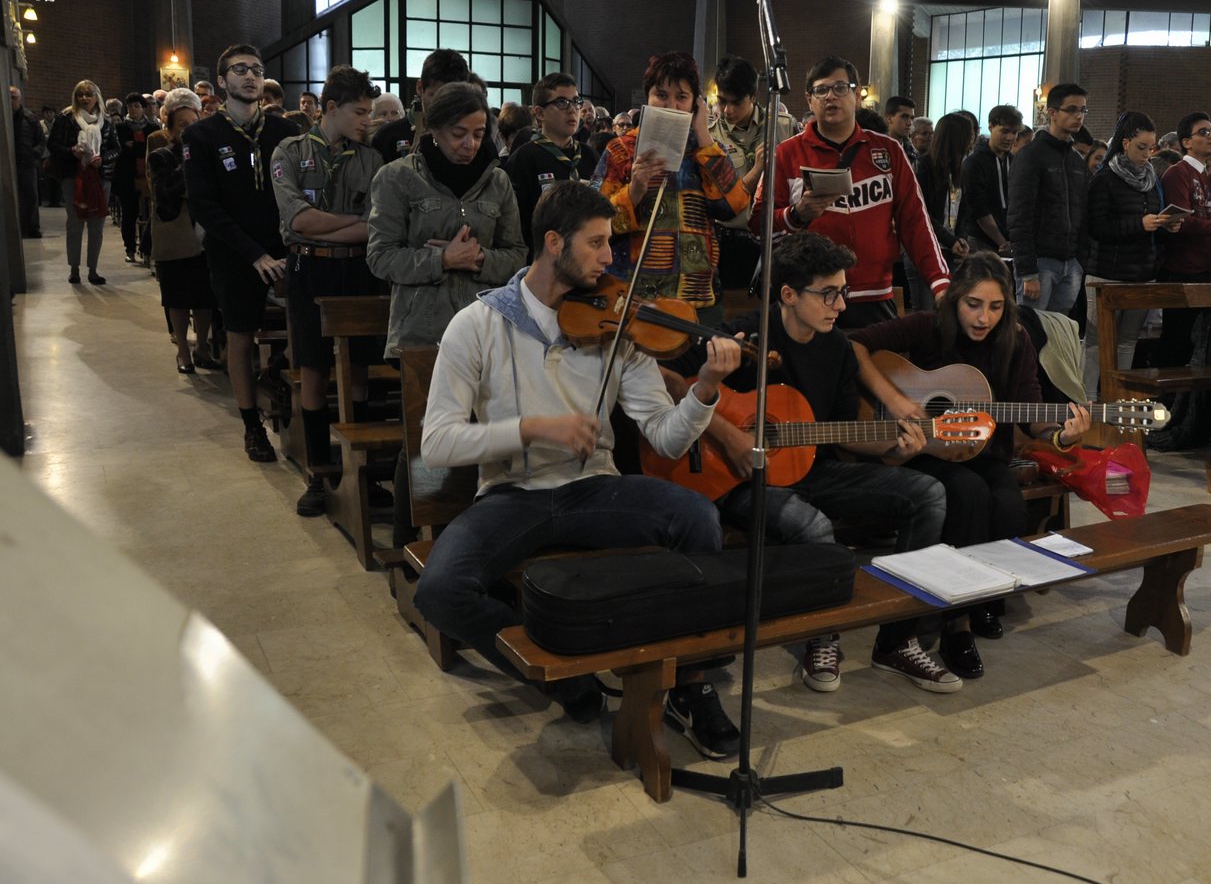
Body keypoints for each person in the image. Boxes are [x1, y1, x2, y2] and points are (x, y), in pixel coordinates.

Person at [416, 180, 745, 748]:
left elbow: (666, 439)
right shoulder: (477, 325)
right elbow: (438, 443)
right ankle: (565, 678)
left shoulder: (617, 325)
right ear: (553, 243)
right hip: (512, 495)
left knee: (697, 518)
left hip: (594, 487)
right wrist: (534, 428)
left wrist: (706, 389)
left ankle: (689, 682)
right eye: (595, 243)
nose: (609, 258)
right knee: (439, 590)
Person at [661, 232, 956, 692]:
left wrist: (898, 451)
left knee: (928, 493)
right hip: (738, 478)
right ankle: (823, 637)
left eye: (844, 292)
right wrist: (729, 438)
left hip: (812, 468)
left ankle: (898, 640)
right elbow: (670, 381)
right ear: (789, 295)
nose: (840, 305)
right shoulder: (745, 334)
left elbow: (843, 432)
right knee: (815, 527)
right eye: (829, 294)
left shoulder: (837, 348)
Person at [849, 252, 1091, 679]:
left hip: (987, 454)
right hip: (925, 452)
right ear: (955, 299)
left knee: (1011, 508)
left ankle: (981, 601)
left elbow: (1033, 413)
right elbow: (854, 344)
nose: (984, 317)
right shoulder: (928, 326)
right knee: (968, 495)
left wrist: (1061, 434)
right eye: (973, 305)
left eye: (995, 307)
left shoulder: (1015, 340)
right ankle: (955, 624)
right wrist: (897, 402)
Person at [369, 80, 527, 547]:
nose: (469, 144)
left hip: (486, 327)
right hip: (423, 328)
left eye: (479, 133)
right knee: (422, 440)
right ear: (433, 129)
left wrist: (477, 260)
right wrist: (441, 261)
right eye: (459, 133)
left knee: (487, 435)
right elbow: (380, 257)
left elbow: (518, 254)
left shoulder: (497, 179)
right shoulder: (398, 178)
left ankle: (475, 538)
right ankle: (406, 541)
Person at [752, 55, 949, 327]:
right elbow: (757, 224)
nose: (830, 96)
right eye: (821, 90)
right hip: (811, 297)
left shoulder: (889, 151)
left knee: (877, 368)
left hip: (875, 295)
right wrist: (796, 215)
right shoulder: (786, 155)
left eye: (841, 88)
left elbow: (916, 223)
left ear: (857, 96)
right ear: (809, 100)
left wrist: (940, 282)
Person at [271, 65, 389, 517]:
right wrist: (354, 225)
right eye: (360, 112)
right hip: (309, 272)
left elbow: (376, 228)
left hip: (359, 273)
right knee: (316, 371)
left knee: (359, 368)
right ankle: (319, 475)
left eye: (371, 112)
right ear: (331, 107)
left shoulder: (371, 160)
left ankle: (357, 472)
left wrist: (337, 228)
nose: (367, 121)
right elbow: (296, 220)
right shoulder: (290, 150)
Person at [183, 44, 301, 461]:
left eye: (255, 69)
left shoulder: (284, 133)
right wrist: (255, 255)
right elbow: (204, 206)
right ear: (222, 80)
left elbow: (302, 195)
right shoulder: (201, 135)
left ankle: (276, 375)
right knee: (240, 334)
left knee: (309, 325)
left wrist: (289, 246)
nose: (249, 76)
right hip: (234, 252)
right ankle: (252, 426)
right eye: (239, 70)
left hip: (285, 248)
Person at [594, 51, 747, 322]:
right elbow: (593, 222)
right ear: (648, 98)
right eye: (661, 95)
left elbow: (733, 206)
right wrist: (635, 191)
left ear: (695, 104)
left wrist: (703, 135)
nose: (671, 105)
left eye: (682, 97)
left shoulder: (707, 149)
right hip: (633, 299)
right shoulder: (621, 149)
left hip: (697, 298)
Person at [1083, 110, 1177, 375]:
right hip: (1106, 274)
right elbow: (1097, 227)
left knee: (1127, 342)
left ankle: (1118, 400)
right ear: (1125, 144)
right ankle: (1087, 402)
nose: (1148, 154)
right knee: (1095, 343)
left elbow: (1153, 220)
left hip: (1141, 273)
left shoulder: (1151, 178)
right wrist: (1139, 224)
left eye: (1151, 147)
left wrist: (1167, 224)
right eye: (1141, 147)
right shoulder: (1104, 179)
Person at [707, 54, 796, 295]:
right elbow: (718, 196)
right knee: (733, 315)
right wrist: (758, 169)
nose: (727, 110)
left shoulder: (783, 126)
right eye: (722, 101)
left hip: (775, 240)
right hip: (729, 242)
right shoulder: (710, 137)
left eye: (736, 102)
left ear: (754, 97)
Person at [145, 89, 218, 375]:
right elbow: (165, 194)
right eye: (184, 125)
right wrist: (188, 161)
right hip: (176, 234)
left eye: (195, 123)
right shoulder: (161, 155)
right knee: (177, 296)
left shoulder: (209, 154)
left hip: (206, 234)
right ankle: (183, 351)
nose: (190, 129)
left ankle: (202, 346)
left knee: (204, 296)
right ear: (172, 130)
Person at [1008, 82, 1089, 321]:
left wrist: (1080, 261)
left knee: (1059, 334)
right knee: (1031, 334)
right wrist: (1027, 270)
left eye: (1083, 110)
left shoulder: (1076, 160)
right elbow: (1019, 216)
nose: (1079, 116)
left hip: (1071, 262)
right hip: (1039, 262)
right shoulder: (1031, 155)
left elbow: (1082, 213)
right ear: (1052, 113)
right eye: (1072, 109)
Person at [1156, 111, 1211, 367]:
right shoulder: (1178, 173)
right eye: (1203, 132)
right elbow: (1182, 221)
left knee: (1206, 344)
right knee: (1178, 340)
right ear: (1186, 141)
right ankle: (1168, 404)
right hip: (1182, 269)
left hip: (1209, 269)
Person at [505, 72, 600, 247]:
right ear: (540, 113)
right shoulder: (524, 159)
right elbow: (518, 224)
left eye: (576, 101)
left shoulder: (590, 155)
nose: (573, 109)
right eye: (562, 102)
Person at [47, 79, 120, 286]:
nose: (84, 98)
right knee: (75, 223)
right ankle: (74, 269)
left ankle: (93, 270)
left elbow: (116, 148)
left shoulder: (105, 119)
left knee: (97, 224)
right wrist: (72, 152)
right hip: (73, 176)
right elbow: (53, 145)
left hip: (100, 177)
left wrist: (102, 159)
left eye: (88, 94)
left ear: (97, 96)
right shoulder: (65, 117)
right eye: (80, 94)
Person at [372, 48, 472, 163]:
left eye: (453, 99)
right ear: (420, 88)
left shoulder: (475, 140)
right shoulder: (388, 137)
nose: (443, 107)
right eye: (435, 96)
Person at [913, 112, 976, 268]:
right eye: (969, 135)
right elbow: (921, 212)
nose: (972, 140)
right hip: (926, 248)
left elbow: (964, 210)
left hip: (952, 250)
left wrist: (961, 240)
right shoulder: (924, 166)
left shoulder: (960, 168)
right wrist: (950, 240)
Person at [959, 104, 1021, 253]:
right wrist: (1001, 241)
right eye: (1004, 131)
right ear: (991, 126)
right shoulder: (974, 162)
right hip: (980, 240)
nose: (1010, 137)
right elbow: (979, 208)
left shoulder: (1015, 161)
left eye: (1014, 132)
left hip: (1011, 240)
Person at [112, 93, 158, 265]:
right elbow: (123, 151)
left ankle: (148, 249)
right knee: (129, 214)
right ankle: (130, 249)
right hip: (127, 176)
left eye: (137, 106)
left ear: (143, 108)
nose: (133, 110)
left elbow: (149, 149)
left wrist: (134, 146)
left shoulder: (152, 127)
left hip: (147, 176)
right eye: (130, 106)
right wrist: (138, 147)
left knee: (150, 213)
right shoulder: (121, 128)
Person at [10, 85, 42, 237]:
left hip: (27, 164)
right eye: (8, 97)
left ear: (20, 99)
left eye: (13, 98)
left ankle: (31, 228)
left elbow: (41, 142)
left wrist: (32, 155)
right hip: (9, 165)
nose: (11, 101)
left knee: (30, 197)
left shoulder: (30, 118)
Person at [884, 95, 917, 160]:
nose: (909, 123)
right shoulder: (876, 148)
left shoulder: (912, 152)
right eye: (904, 117)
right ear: (889, 118)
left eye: (912, 118)